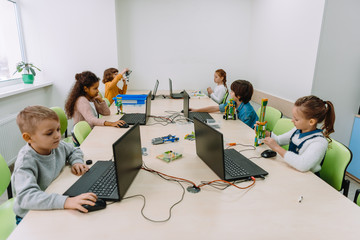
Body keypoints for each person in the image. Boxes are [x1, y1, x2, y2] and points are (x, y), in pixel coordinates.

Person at [12, 106, 98, 224]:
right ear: (28, 138)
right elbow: (27, 197)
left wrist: (76, 161)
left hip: (52, 195)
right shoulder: (25, 162)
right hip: (30, 214)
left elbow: (74, 150)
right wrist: (66, 202)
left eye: (58, 129)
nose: (57, 135)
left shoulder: (58, 145)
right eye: (49, 133)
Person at [263, 95, 335, 173]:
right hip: (292, 170)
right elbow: (278, 140)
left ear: (311, 122)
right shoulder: (297, 130)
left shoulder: (319, 142)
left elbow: (302, 165)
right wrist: (266, 133)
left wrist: (277, 148)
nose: (292, 120)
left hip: (307, 178)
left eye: (296, 119)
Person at [191, 80, 258, 128]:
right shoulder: (233, 103)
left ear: (239, 96)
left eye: (232, 91)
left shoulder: (247, 111)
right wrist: (196, 110)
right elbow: (216, 108)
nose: (230, 92)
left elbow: (244, 129)